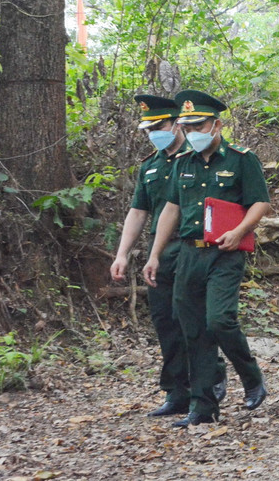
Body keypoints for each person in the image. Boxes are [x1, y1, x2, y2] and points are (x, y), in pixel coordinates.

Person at [143, 90, 271, 427]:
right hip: (188, 253)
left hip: (225, 254)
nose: (192, 132)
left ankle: (250, 374)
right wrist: (155, 254)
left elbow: (261, 202)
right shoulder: (183, 163)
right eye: (187, 127)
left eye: (198, 125)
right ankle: (202, 407)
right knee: (193, 331)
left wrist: (241, 229)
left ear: (216, 124)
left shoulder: (242, 159)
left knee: (219, 320)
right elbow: (171, 210)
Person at [110, 95, 226, 417]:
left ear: (177, 123)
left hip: (196, 247)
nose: (153, 134)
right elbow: (138, 212)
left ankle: (210, 379)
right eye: (148, 129)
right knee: (164, 321)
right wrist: (122, 254)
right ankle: (177, 391)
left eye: (158, 126)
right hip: (159, 253)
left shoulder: (199, 157)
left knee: (193, 318)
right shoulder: (151, 165)